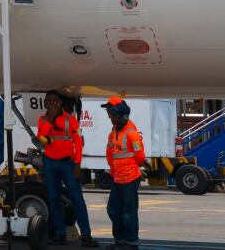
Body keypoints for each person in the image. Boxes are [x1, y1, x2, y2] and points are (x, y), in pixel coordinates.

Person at [35, 91, 97, 246]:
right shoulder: (42, 120)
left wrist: (77, 164)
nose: (52, 103)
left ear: (61, 103)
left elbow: (78, 143)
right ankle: (60, 234)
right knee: (54, 199)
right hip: (50, 163)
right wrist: (50, 120)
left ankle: (86, 235)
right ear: (45, 103)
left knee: (77, 199)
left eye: (55, 101)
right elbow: (41, 142)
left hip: (67, 163)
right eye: (49, 101)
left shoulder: (70, 120)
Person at [102, 97, 144, 249]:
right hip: (118, 177)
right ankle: (120, 239)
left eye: (111, 114)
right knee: (113, 209)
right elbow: (111, 152)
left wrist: (127, 168)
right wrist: (112, 171)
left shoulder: (131, 132)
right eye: (109, 114)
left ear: (121, 115)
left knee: (128, 211)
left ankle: (130, 240)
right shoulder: (114, 131)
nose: (109, 117)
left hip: (129, 178)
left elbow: (140, 157)